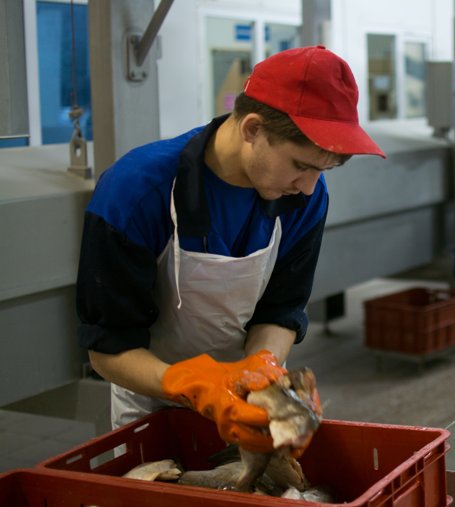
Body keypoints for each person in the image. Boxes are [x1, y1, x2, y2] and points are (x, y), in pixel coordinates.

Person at [75, 45, 385, 453]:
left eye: (321, 170)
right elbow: (107, 349)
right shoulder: (137, 191)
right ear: (252, 129)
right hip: (151, 398)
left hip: (252, 400)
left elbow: (280, 308)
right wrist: (190, 384)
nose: (309, 186)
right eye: (300, 165)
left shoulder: (306, 196)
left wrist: (261, 368)